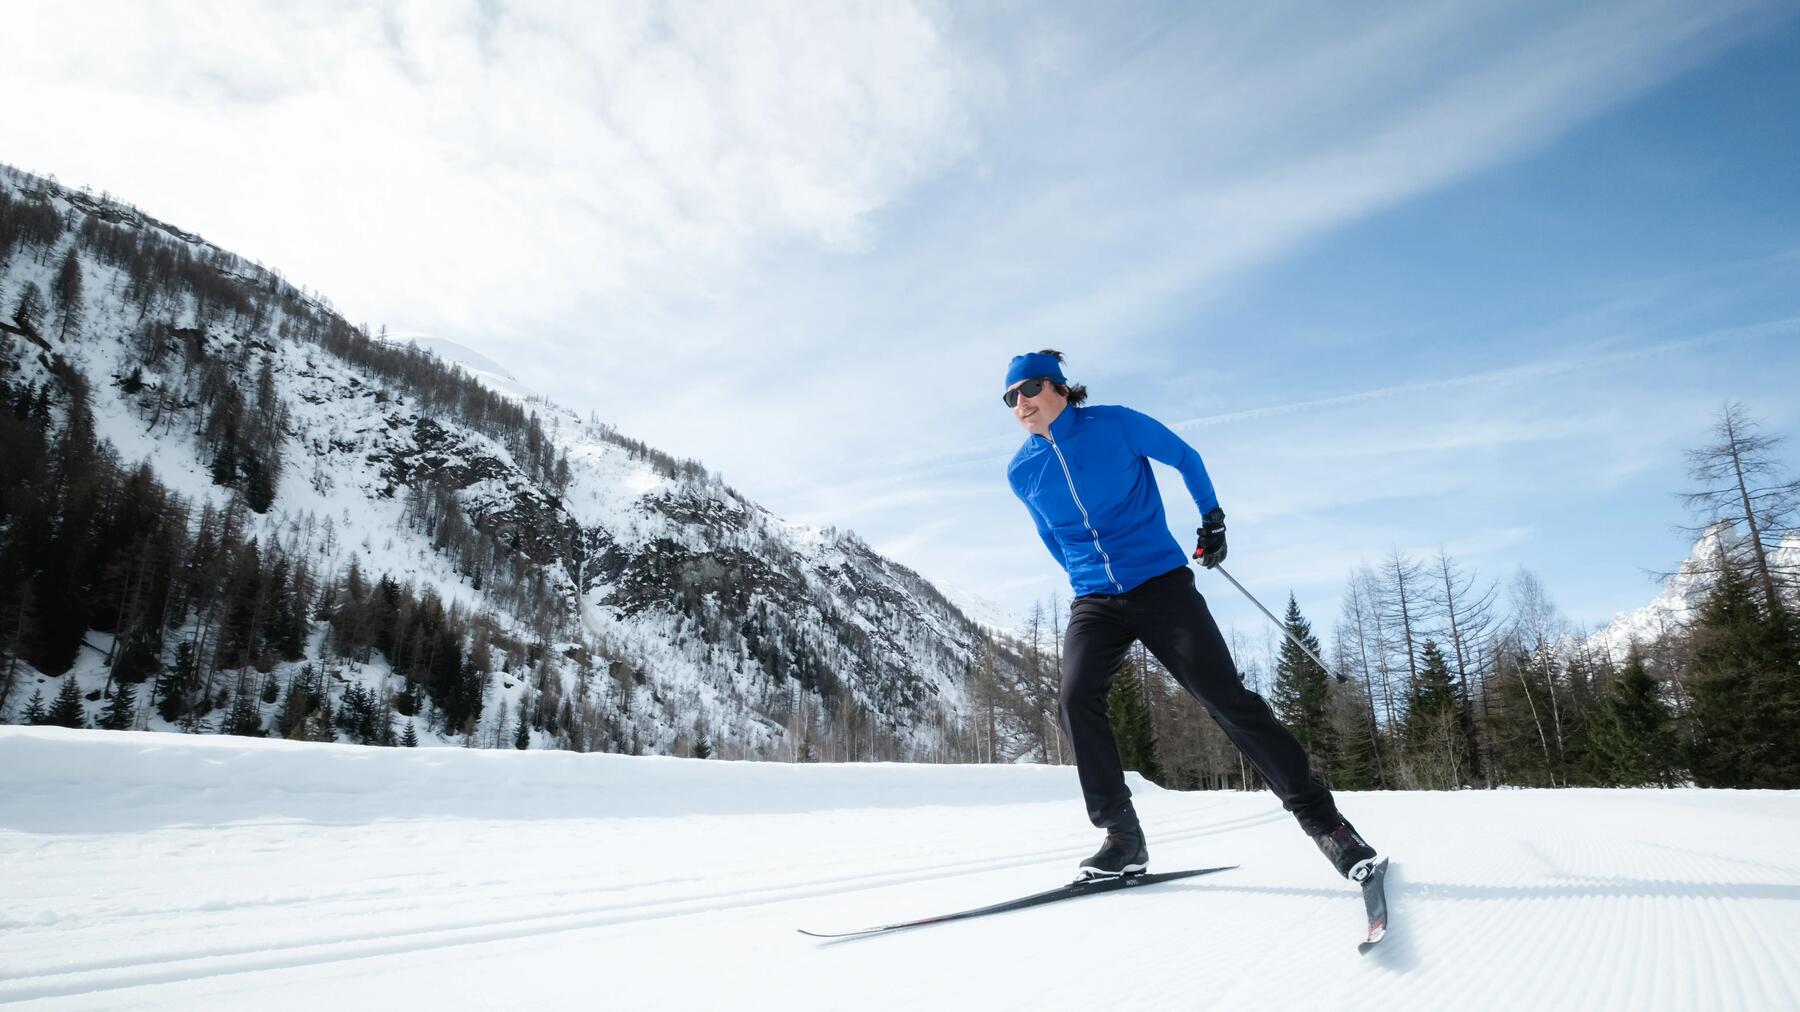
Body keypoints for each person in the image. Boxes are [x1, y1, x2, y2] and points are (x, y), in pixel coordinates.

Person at [1002, 349, 1378, 883]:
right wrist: (1086, 580)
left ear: (1059, 387)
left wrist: (1212, 519)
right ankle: (1122, 838)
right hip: (1095, 600)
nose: (1021, 403)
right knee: (1073, 699)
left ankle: (1327, 826)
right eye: (1010, 397)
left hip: (1160, 584)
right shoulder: (1021, 471)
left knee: (1226, 700)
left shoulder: (1117, 424)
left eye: (1029, 389)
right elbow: (1049, 536)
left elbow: (1185, 457)